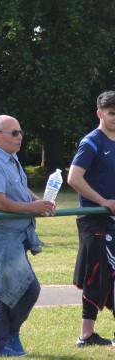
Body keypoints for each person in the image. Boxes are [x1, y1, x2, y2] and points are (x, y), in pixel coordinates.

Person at [0, 115, 55, 357]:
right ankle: (0, 344)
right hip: (1, 238)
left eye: (21, 132)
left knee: (17, 289)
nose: (20, 137)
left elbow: (21, 189)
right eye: (14, 133)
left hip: (17, 236)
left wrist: (38, 201)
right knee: (13, 290)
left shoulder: (12, 160)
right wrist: (33, 208)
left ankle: (5, 341)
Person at [67, 90, 115, 347]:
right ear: (100, 114)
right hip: (94, 220)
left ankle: (86, 336)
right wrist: (104, 202)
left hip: (111, 221)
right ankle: (85, 335)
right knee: (97, 276)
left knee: (100, 278)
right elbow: (73, 179)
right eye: (111, 113)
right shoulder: (91, 142)